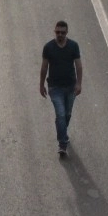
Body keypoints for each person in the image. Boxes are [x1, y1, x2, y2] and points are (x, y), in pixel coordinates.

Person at [38, 21, 83, 156]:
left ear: (67, 32)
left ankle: (62, 131)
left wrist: (79, 83)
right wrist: (41, 85)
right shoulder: (48, 47)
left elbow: (79, 66)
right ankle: (62, 143)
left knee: (67, 114)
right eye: (58, 32)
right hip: (55, 87)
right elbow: (44, 67)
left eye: (63, 32)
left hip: (70, 87)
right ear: (54, 32)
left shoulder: (73, 46)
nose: (60, 35)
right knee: (61, 114)